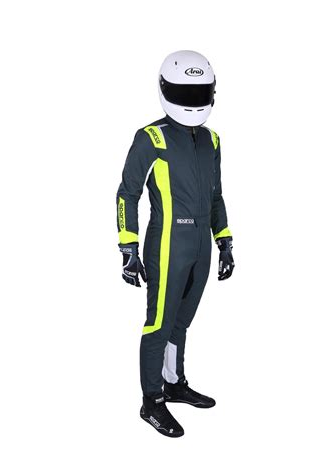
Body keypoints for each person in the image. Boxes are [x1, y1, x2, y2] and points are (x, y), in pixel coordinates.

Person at [116, 50, 234, 437]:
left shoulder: (212, 140)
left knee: (182, 321)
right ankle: (151, 401)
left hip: (201, 244)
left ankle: (173, 383)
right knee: (159, 323)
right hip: (167, 241)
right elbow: (127, 193)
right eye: (185, 92)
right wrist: (128, 247)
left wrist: (225, 240)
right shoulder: (152, 137)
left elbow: (216, 195)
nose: (193, 101)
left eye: (199, 92)